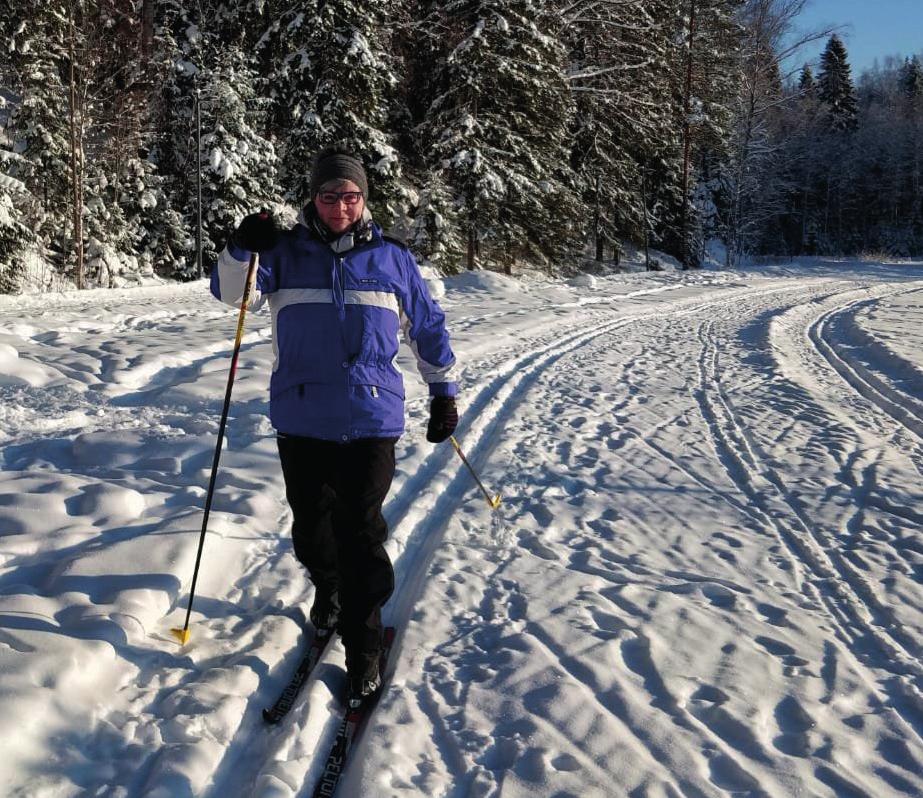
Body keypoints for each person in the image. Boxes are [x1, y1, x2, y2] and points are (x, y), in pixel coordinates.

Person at [210, 147, 459, 700]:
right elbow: (233, 293)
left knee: (360, 531)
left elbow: (427, 325)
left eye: (350, 195)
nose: (340, 205)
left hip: (372, 417)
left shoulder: (391, 257)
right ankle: (328, 588)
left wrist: (444, 391)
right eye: (330, 195)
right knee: (311, 526)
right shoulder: (283, 252)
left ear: (364, 199)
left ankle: (363, 646)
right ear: (314, 199)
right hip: (301, 415)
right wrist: (238, 247)